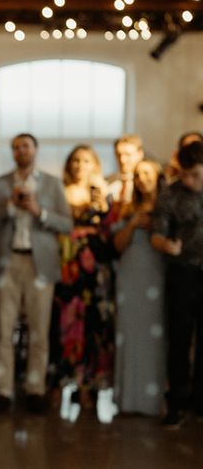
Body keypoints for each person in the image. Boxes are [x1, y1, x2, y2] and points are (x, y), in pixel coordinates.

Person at [0, 133, 72, 415]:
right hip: (6, 264)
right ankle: (3, 390)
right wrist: (9, 207)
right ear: (12, 152)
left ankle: (35, 389)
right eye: (16, 147)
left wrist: (39, 211)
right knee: (3, 330)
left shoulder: (53, 184)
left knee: (39, 332)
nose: (21, 151)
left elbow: (67, 224)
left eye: (26, 146)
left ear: (35, 149)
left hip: (39, 264)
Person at [55, 145, 116, 424]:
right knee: (70, 324)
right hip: (70, 266)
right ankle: (70, 385)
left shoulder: (102, 190)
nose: (80, 165)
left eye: (86, 160)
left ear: (95, 164)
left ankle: (94, 386)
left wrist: (103, 200)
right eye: (75, 160)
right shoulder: (60, 191)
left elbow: (111, 229)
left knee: (97, 325)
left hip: (98, 268)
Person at [151, 140, 203, 427]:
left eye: (195, 174)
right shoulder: (170, 194)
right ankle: (178, 402)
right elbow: (157, 232)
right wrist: (165, 245)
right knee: (180, 339)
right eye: (184, 174)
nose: (188, 180)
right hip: (183, 273)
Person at [112, 159, 165, 417]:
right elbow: (118, 246)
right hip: (131, 273)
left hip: (158, 273)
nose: (142, 178)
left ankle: (153, 399)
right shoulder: (127, 209)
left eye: (147, 173)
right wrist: (133, 224)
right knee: (130, 333)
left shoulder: (168, 207)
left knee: (155, 334)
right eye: (137, 174)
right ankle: (128, 399)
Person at [106, 135, 145, 205]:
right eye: (118, 154)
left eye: (128, 154)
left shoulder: (147, 183)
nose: (122, 160)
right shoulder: (107, 182)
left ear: (140, 154)